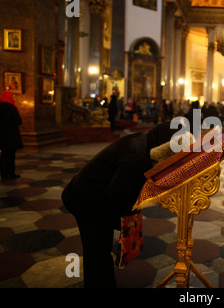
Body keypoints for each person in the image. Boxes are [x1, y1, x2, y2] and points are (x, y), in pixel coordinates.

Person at [61, 122, 185, 288]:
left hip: (94, 195)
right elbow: (117, 194)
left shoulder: (143, 140)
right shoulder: (137, 157)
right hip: (85, 199)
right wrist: (129, 222)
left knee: (99, 250)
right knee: (97, 252)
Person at [0, 88, 23, 180]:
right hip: (11, 135)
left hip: (1, 135)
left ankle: (3, 174)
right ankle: (11, 173)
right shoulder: (11, 107)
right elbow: (18, 121)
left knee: (3, 155)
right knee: (11, 155)